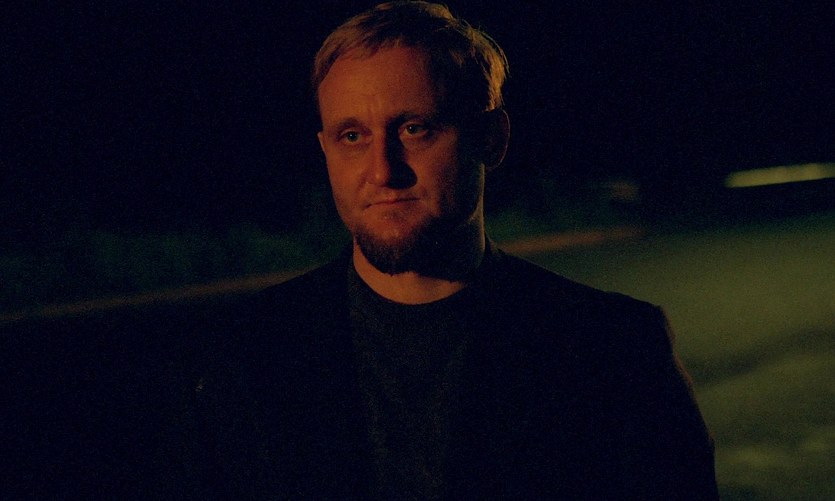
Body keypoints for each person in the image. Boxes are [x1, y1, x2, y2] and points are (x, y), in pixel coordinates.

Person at [178, 2, 718, 498]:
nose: (382, 171)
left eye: (415, 129)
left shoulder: (613, 353)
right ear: (325, 150)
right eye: (352, 137)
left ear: (492, 138)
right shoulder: (241, 359)